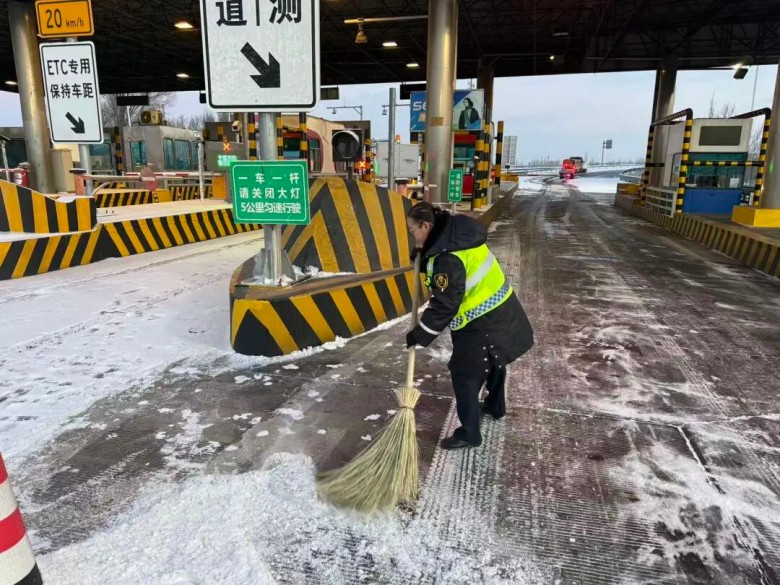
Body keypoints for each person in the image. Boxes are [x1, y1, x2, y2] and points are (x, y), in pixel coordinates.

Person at [406, 202, 534, 450]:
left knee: (465, 372)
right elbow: (455, 271)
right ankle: (495, 406)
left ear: (426, 225)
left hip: (482, 319)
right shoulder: (455, 237)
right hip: (501, 308)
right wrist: (423, 261)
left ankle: (469, 433)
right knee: (495, 359)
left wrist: (419, 334)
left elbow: (445, 303)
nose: (414, 237)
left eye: (414, 232)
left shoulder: (447, 257)